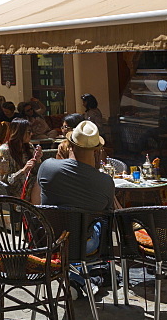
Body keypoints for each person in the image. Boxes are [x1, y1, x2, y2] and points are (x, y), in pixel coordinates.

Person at [37, 120, 116, 298]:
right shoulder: (105, 182)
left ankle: (74, 279)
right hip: (84, 245)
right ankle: (80, 279)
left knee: (76, 231)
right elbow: (108, 217)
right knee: (94, 226)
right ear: (97, 150)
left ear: (70, 144)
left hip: (49, 239)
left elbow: (37, 203)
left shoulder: (47, 167)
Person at [0, 118, 43, 202]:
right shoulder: (4, 151)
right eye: (28, 132)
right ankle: (37, 212)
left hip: (30, 183)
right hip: (14, 189)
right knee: (38, 183)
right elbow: (4, 180)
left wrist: (37, 160)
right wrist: (23, 171)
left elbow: (35, 172)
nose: (31, 134)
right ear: (19, 133)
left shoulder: (29, 147)